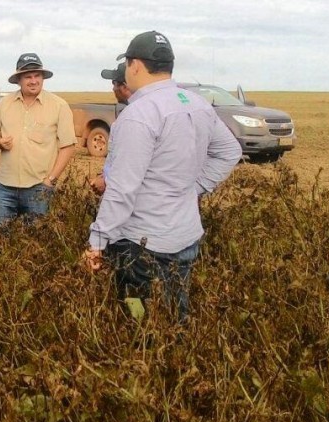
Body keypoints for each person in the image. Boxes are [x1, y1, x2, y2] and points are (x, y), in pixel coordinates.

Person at [84, 31, 242, 322]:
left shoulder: (138, 115)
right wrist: (193, 189)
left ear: (134, 66)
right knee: (174, 319)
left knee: (137, 324)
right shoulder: (196, 103)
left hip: (141, 245)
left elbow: (121, 190)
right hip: (186, 236)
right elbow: (229, 151)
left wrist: (97, 242)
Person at [0, 53, 76, 235]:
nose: (33, 81)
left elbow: (68, 146)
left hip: (38, 187)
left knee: (35, 244)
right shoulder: (5, 104)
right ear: (19, 80)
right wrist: (0, 142)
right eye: (28, 76)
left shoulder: (59, 105)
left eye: (37, 76)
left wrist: (50, 180)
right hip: (4, 187)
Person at [90, 62, 132, 195]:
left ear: (125, 87)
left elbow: (128, 162)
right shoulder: (130, 113)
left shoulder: (133, 118)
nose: (113, 89)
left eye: (114, 83)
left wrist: (106, 181)